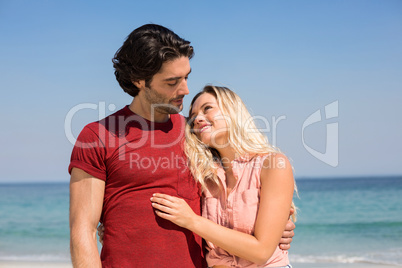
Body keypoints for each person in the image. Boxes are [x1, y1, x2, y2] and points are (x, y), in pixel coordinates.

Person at [69, 24, 295, 268]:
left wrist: (278, 228)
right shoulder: (98, 135)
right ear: (139, 81)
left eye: (186, 76)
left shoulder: (197, 134)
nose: (185, 90)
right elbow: (83, 231)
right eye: (172, 82)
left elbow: (243, 187)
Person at [150, 85, 296, 267]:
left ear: (233, 111)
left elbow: (261, 252)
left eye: (207, 108)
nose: (197, 119)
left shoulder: (272, 165)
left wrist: (192, 221)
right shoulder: (201, 174)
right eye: (193, 116)